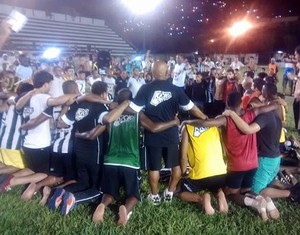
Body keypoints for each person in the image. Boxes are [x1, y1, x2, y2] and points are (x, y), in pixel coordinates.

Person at [89, 88, 179, 225]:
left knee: (110, 192)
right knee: (133, 196)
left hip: (110, 161)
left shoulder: (109, 114)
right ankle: (125, 208)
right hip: (130, 162)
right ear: (131, 101)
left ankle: (102, 206)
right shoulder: (137, 115)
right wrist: (173, 122)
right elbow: (153, 127)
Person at [129, 60, 206, 205]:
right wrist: (205, 118)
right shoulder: (176, 89)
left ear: (152, 73)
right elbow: (191, 108)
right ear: (167, 72)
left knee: (154, 167)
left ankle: (154, 196)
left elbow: (134, 110)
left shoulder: (145, 89)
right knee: (175, 166)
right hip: (171, 133)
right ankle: (169, 192)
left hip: (153, 134)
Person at [178, 123, 228, 215]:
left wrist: (184, 173)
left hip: (200, 175)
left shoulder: (187, 128)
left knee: (182, 194)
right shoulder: (214, 124)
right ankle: (220, 192)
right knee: (216, 186)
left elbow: (183, 156)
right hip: (220, 172)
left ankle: (201, 199)